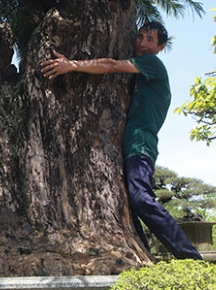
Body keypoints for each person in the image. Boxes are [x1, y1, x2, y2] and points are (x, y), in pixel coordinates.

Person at [40, 21, 202, 260]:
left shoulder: (152, 64)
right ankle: (145, 255)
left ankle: (191, 258)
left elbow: (112, 65)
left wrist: (72, 65)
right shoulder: (142, 72)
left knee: (140, 198)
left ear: (160, 47)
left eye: (150, 39)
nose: (142, 43)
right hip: (129, 144)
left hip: (140, 144)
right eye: (140, 36)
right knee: (127, 203)